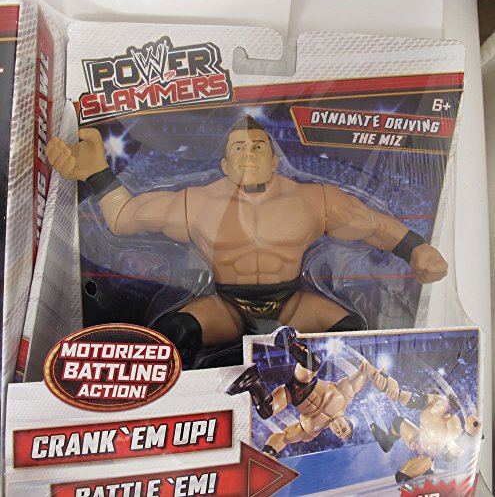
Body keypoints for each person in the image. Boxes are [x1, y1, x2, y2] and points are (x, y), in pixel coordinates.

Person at [46, 116, 448, 367]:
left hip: (292, 304)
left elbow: (373, 226)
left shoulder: (314, 200)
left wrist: (415, 248)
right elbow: (123, 219)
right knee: (173, 334)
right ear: (224, 164)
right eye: (239, 147)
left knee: (351, 334)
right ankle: (184, 416)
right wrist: (96, 172)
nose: (249, 153)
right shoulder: (197, 203)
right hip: (227, 307)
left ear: (274, 161)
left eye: (258, 147)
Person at [226, 326, 391, 457]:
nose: (339, 429)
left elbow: (283, 437)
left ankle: (251, 380)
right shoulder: (346, 395)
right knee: (313, 362)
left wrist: (268, 453)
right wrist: (382, 379)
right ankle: (289, 340)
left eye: (339, 433)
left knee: (266, 411)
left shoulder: (312, 431)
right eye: (344, 428)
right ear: (347, 420)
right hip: (305, 382)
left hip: (291, 395)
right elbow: (365, 370)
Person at [370, 378, 481, 485]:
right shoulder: (436, 400)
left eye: (442, 405)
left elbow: (448, 455)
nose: (437, 405)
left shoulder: (453, 426)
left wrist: (468, 434)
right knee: (398, 422)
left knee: (401, 477)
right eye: (441, 402)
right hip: (418, 439)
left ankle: (424, 475)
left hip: (426, 456)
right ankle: (387, 443)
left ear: (448, 414)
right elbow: (416, 400)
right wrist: (398, 395)